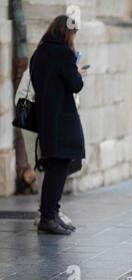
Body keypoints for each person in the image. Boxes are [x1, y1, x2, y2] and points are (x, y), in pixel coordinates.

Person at [30, 15, 87, 235]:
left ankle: (52, 212)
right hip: (62, 118)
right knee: (60, 166)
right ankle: (47, 215)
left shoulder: (40, 52)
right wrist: (77, 71)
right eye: (74, 33)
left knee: (59, 165)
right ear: (67, 33)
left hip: (45, 117)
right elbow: (75, 84)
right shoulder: (63, 53)